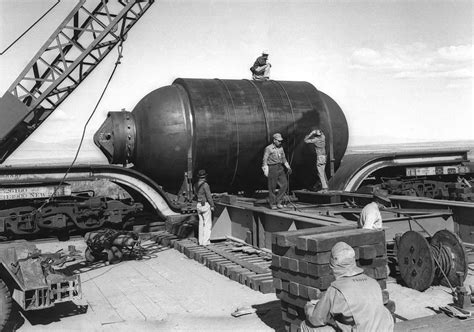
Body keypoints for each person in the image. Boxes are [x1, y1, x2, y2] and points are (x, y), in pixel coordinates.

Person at [300, 242, 394, 332]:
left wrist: (310, 307)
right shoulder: (373, 282)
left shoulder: (336, 290)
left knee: (306, 326)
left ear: (333, 265)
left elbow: (316, 319)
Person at [262, 133, 292, 209]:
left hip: (280, 167)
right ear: (274, 140)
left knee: (284, 184)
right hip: (272, 167)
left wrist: (288, 167)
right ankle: (272, 204)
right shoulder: (268, 148)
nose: (280, 142)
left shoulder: (281, 148)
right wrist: (265, 169)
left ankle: (279, 201)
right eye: (278, 141)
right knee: (272, 186)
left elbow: (283, 158)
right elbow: (264, 159)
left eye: (280, 141)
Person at [194, 169, 215, 245]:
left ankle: (200, 241)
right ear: (205, 177)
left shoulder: (195, 185)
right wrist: (212, 205)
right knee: (207, 223)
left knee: (201, 223)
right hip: (205, 205)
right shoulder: (205, 185)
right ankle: (206, 242)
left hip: (199, 205)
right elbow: (209, 196)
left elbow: (196, 195)